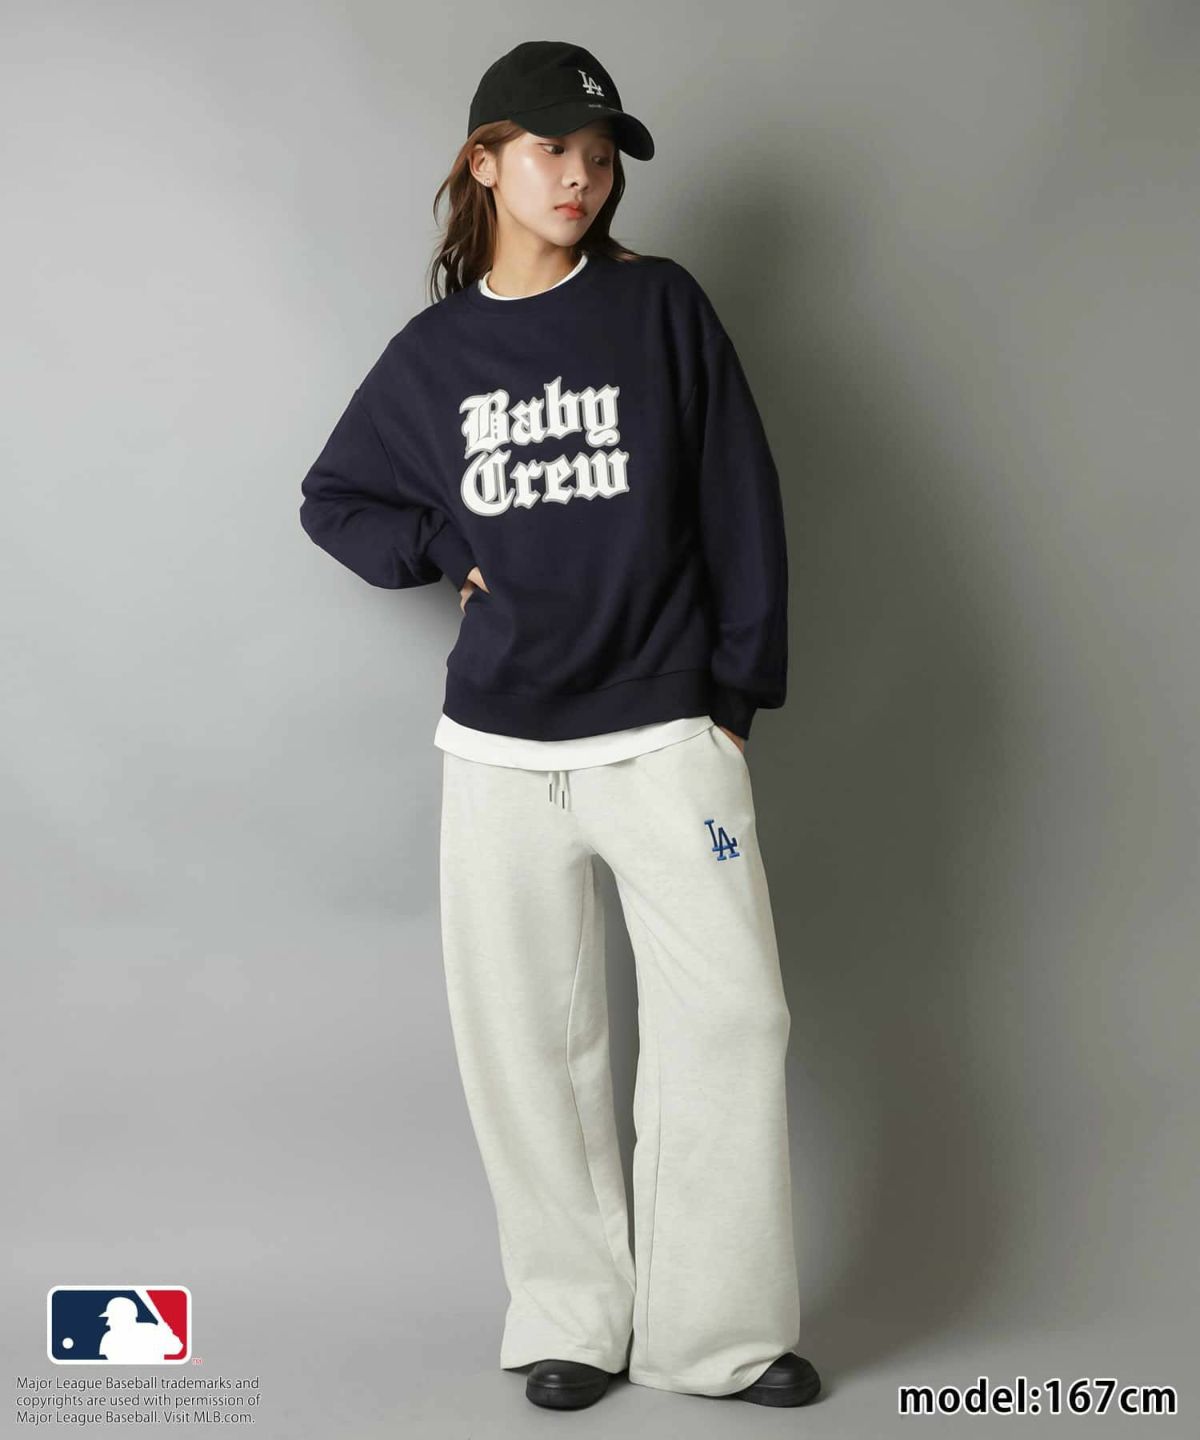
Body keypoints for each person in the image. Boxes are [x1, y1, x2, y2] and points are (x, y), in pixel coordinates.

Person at [298, 38, 821, 1413]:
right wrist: (442, 547)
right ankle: (573, 1320)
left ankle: (715, 1337)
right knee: (531, 1046)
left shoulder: (659, 308)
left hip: (665, 734)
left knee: (734, 1022)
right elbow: (334, 497)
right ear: (486, 163)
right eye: (551, 151)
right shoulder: (434, 355)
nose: (580, 176)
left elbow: (741, 497)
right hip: (500, 750)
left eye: (598, 157)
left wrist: (734, 698)